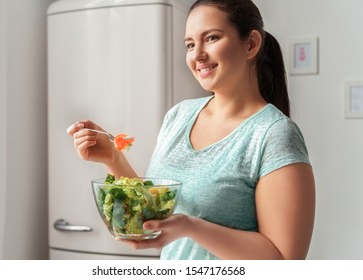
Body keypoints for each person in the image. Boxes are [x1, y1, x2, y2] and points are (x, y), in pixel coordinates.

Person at [67, 0, 315, 260]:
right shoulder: (179, 116)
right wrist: (113, 159)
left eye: (211, 38)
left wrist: (190, 227)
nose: (197, 54)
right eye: (189, 44)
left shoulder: (273, 134)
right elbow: (154, 208)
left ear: (251, 44)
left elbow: (284, 261)